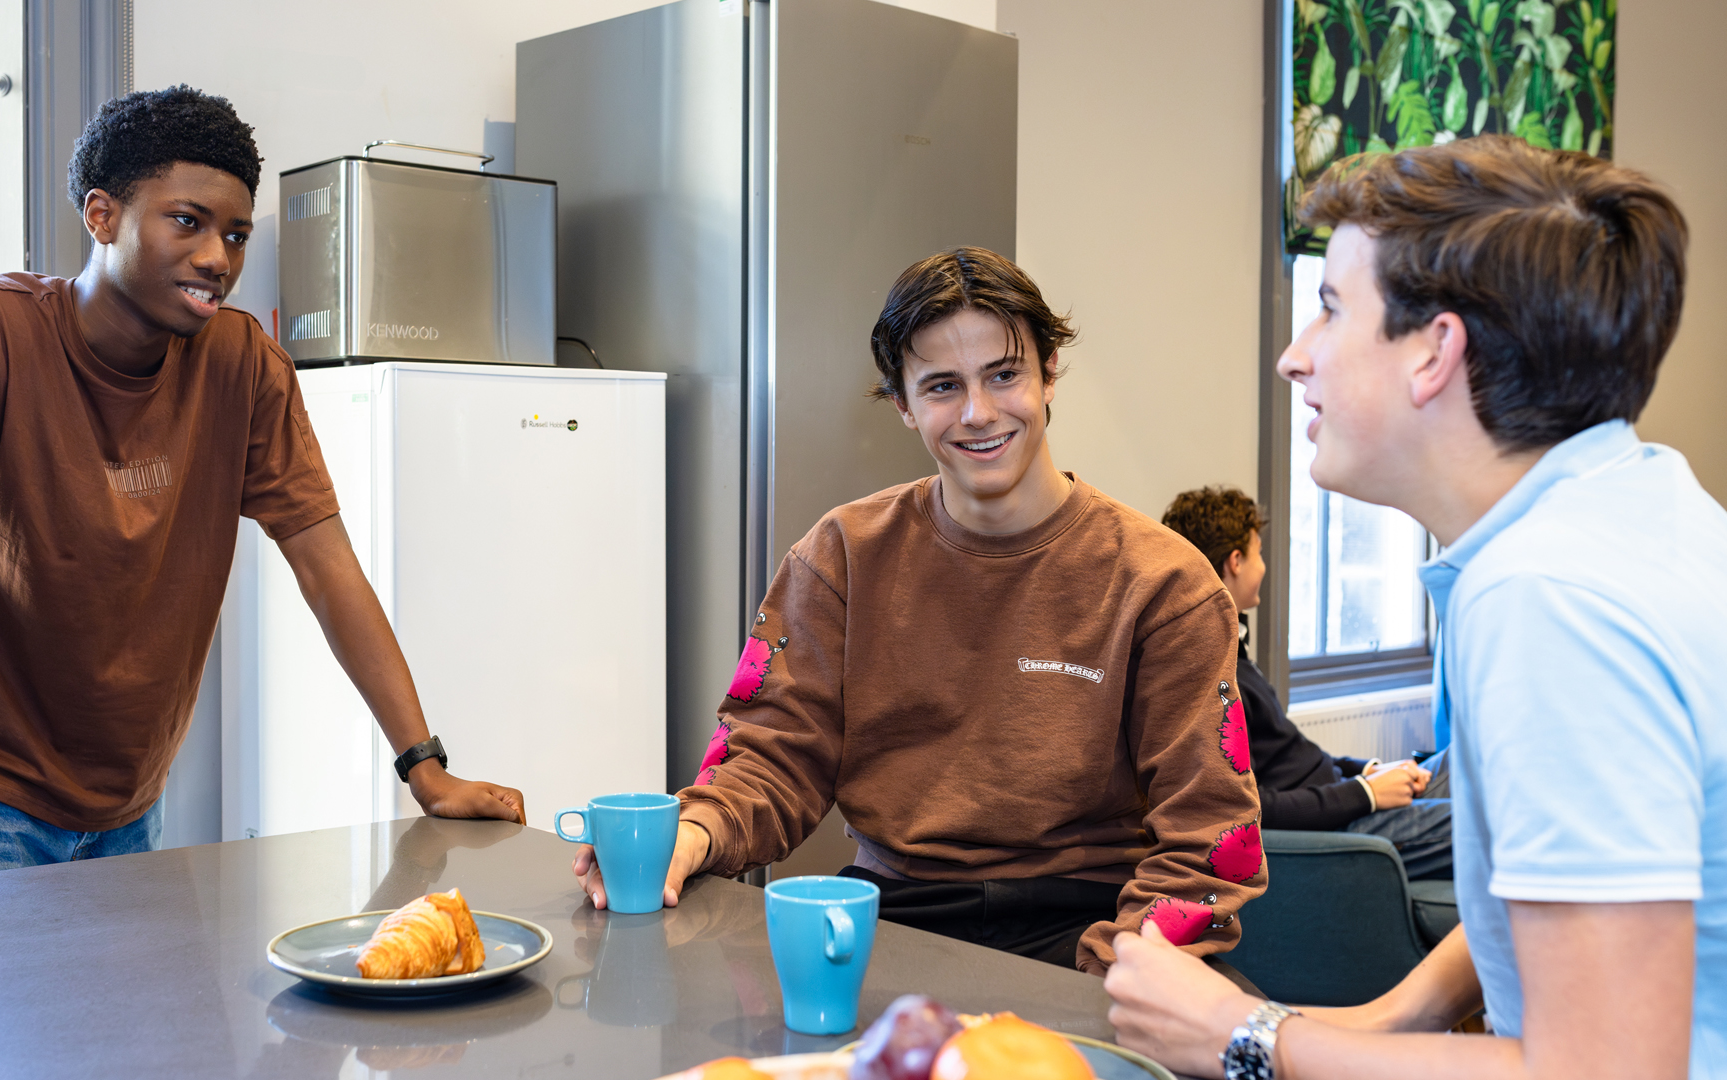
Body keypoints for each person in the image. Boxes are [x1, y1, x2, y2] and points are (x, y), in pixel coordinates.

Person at [0, 86, 524, 902]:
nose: (219, 257)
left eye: (236, 234)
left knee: (128, 1032)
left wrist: (424, 770)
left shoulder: (246, 366)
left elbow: (329, 570)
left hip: (131, 801)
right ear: (102, 215)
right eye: (187, 221)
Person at [1105, 135, 1724, 1079]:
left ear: (1435, 351)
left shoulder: (1550, 602)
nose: (1293, 357)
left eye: (1328, 309)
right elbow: (1584, 878)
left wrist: (1247, 1040)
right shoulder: (1635, 507)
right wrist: (1395, 1014)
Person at [575, 247, 1266, 975]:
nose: (979, 412)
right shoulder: (839, 556)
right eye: (942, 386)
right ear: (902, 404)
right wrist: (693, 833)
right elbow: (772, 759)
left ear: (1049, 372)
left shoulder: (1165, 583)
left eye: (1004, 374)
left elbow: (1207, 839)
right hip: (893, 918)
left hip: (1092, 921)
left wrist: (1111, 978)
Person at [1161, 486, 1450, 880]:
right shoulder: (1211, 677)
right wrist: (1365, 794)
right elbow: (1255, 807)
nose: (1263, 566)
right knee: (1480, 825)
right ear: (1235, 561)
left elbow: (1292, 757)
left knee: (1459, 761)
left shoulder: (1233, 650)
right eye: (1259, 553)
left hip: (1344, 794)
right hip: (1337, 824)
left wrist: (1368, 769)